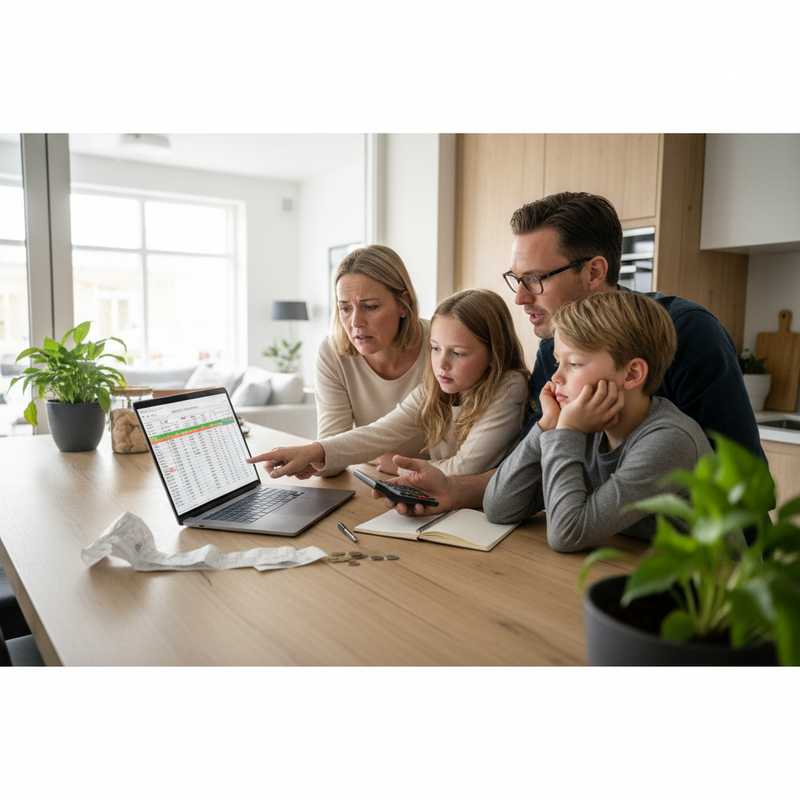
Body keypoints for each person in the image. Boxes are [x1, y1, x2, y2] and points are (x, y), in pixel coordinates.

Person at [374, 190, 762, 517]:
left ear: (594, 273)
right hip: (597, 547)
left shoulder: (689, 332)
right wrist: (451, 489)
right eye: (516, 279)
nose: (520, 297)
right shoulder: (551, 353)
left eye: (535, 280)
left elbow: (749, 487)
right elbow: (535, 469)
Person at [482, 291, 712, 551]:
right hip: (633, 566)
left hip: (709, 585)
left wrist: (567, 432)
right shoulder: (586, 423)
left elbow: (567, 534)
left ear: (632, 373)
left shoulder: (668, 440)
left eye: (575, 364)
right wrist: (546, 426)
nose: (556, 377)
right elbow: (499, 508)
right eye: (558, 362)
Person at [247, 289, 529, 479]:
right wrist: (312, 452)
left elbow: (465, 469)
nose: (441, 364)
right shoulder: (438, 386)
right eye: (434, 348)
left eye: (458, 353)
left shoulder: (509, 387)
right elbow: (378, 433)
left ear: (494, 353)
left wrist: (397, 467)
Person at [315, 244, 429, 475]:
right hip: (375, 478)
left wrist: (373, 456)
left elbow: (464, 454)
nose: (356, 322)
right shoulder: (332, 352)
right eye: (345, 308)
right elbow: (332, 455)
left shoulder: (440, 346)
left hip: (440, 483)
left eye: (370, 307)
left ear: (403, 304)